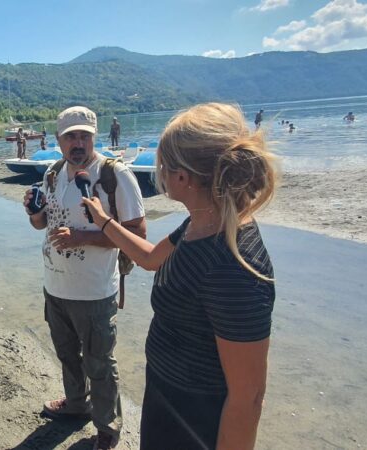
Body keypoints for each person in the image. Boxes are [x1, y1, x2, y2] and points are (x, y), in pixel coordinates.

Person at [81, 103, 276, 450]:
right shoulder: (202, 222)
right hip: (166, 400)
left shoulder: (232, 265)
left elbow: (249, 398)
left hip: (195, 422)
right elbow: (149, 258)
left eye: (162, 168)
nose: (161, 176)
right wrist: (103, 220)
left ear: (182, 178)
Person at [23, 106, 146, 450]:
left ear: (95, 137)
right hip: (55, 287)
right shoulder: (52, 173)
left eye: (84, 136)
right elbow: (42, 225)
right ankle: (77, 405)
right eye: (70, 136)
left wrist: (83, 238)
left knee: (100, 364)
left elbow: (138, 233)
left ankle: (108, 430)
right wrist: (33, 213)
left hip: (94, 292)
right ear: (59, 139)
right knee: (67, 355)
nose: (78, 143)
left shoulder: (114, 175)